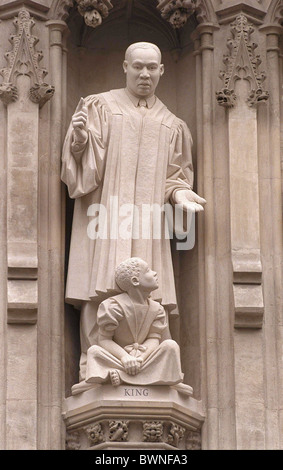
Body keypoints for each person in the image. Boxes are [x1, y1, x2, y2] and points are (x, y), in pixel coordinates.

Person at [61, 42, 206, 382]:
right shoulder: (100, 106)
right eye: (138, 66)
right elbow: (81, 174)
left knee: (150, 293)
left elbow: (176, 175)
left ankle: (151, 361)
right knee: (102, 286)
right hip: (107, 220)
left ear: (162, 70)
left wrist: (181, 192)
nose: (145, 74)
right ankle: (94, 363)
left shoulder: (173, 125)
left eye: (152, 67)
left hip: (150, 224)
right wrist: (79, 140)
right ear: (124, 67)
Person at [85, 257, 185, 388]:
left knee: (170, 346)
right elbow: (104, 340)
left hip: (144, 358)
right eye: (148, 270)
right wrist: (125, 358)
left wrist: (140, 359)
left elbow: (154, 338)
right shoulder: (113, 306)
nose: (155, 273)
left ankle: (122, 376)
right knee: (94, 352)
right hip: (119, 357)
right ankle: (144, 376)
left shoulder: (158, 309)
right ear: (135, 281)